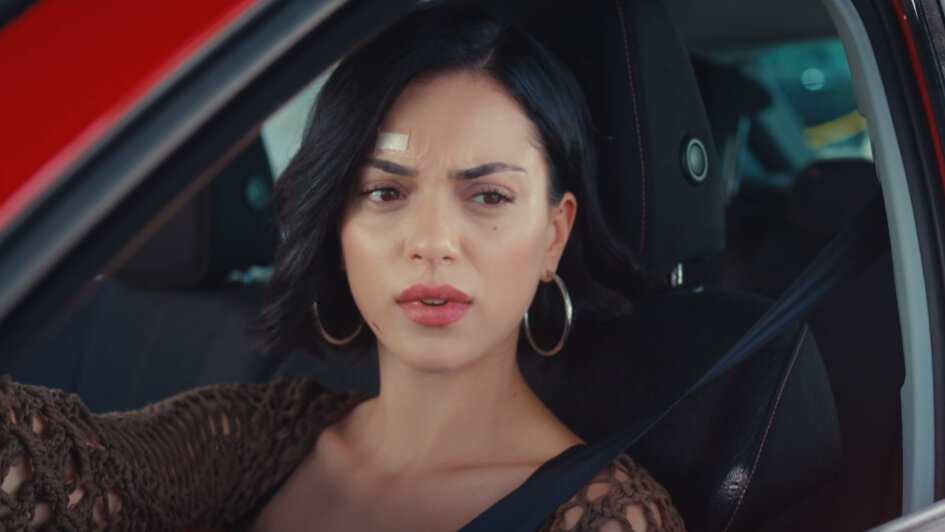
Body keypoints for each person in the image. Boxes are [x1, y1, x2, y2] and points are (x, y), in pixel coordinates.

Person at [0, 6, 684, 531]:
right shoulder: (266, 435)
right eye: (385, 192)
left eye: (488, 197)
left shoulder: (604, 517)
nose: (432, 242)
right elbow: (66, 465)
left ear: (554, 236)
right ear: (337, 228)